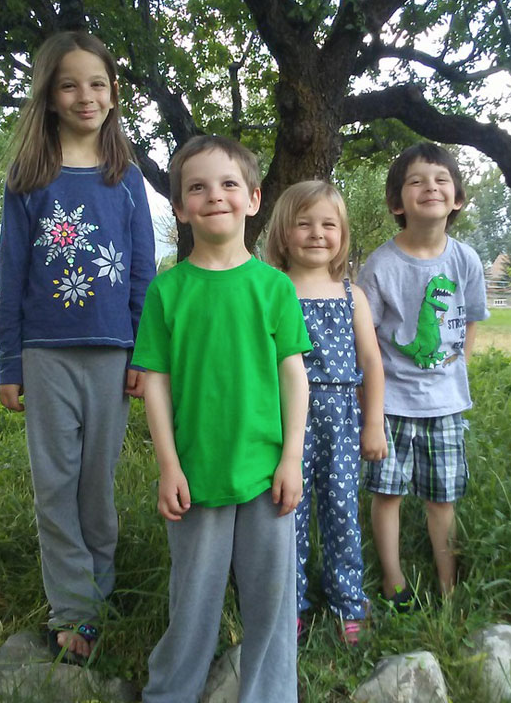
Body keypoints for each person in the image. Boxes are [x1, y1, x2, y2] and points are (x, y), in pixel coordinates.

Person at [0, 30, 156, 663]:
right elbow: (11, 276)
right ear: (50, 96)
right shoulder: (29, 178)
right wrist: (11, 361)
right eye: (70, 84)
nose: (85, 95)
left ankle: (101, 587)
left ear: (113, 94)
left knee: (96, 484)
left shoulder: (127, 178)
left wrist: (143, 353)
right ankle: (74, 609)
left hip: (113, 353)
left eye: (97, 83)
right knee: (53, 484)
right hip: (45, 352)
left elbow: (142, 273)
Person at [132, 135, 310, 703]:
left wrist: (291, 459)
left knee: (272, 605)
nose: (216, 196)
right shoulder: (167, 292)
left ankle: (271, 694)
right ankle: (172, 692)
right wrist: (167, 465)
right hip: (196, 476)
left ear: (254, 198)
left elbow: (293, 377)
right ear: (180, 208)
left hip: (266, 474)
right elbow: (153, 383)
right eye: (198, 188)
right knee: (193, 604)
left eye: (230, 184)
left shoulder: (274, 287)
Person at [355, 141, 489, 610]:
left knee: (442, 499)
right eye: (416, 180)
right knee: (387, 493)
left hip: (447, 404)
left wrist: (461, 364)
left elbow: (472, 314)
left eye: (440, 180)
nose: (429, 187)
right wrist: (368, 407)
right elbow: (366, 337)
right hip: (391, 404)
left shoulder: (465, 260)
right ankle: (393, 583)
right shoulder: (382, 265)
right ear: (397, 202)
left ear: (456, 199)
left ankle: (449, 583)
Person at [262, 181, 387, 644]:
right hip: (284, 421)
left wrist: (373, 422)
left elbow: (371, 361)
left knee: (341, 512)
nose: (317, 233)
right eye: (304, 223)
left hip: (341, 419)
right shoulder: (273, 289)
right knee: (285, 512)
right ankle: (288, 603)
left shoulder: (351, 294)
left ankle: (347, 600)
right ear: (283, 233)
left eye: (329, 224)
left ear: (343, 234)